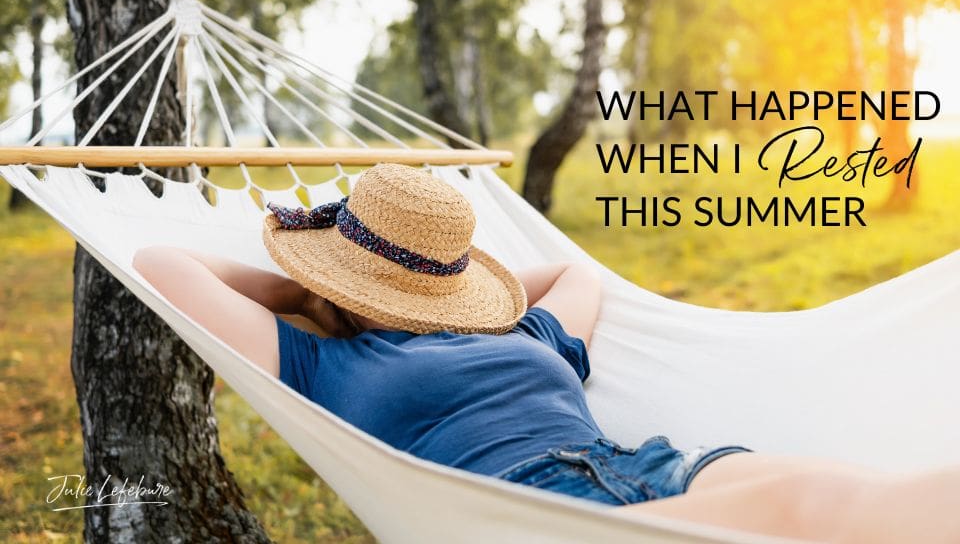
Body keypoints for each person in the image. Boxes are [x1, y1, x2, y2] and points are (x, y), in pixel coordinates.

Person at [133, 163, 959, 543]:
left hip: (648, 467)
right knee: (810, 512)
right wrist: (309, 295)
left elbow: (575, 273)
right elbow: (160, 264)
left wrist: (445, 294)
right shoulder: (324, 364)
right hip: (542, 514)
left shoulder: (519, 331)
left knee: (847, 485)